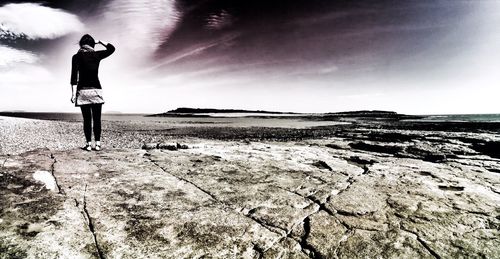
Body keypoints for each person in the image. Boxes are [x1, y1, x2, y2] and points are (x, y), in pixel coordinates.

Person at [70, 34, 115, 151]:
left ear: (81, 44)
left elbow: (74, 78)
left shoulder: (76, 57)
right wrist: (100, 41)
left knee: (87, 119)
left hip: (83, 91)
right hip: (96, 90)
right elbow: (112, 49)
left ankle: (89, 144)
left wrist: (72, 94)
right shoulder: (96, 55)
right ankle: (98, 144)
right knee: (97, 118)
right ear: (92, 44)